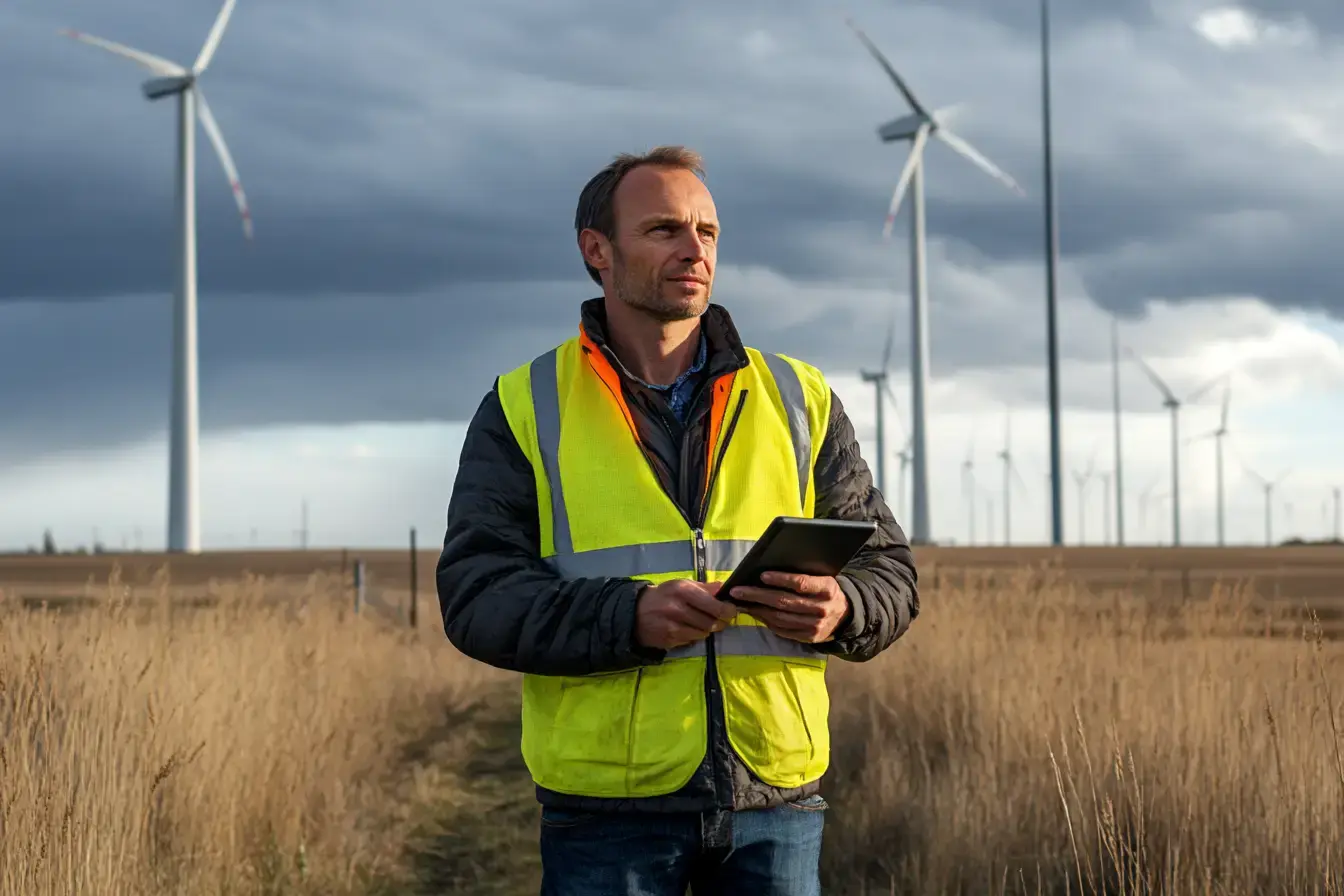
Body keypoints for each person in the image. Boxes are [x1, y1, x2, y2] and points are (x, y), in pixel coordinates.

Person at [436, 145, 919, 896]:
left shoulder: (799, 398)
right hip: (607, 812)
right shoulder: (525, 406)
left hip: (777, 800)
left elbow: (889, 570)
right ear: (597, 251)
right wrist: (628, 615)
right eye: (664, 229)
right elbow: (477, 597)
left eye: (708, 231)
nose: (694, 249)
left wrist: (843, 607)